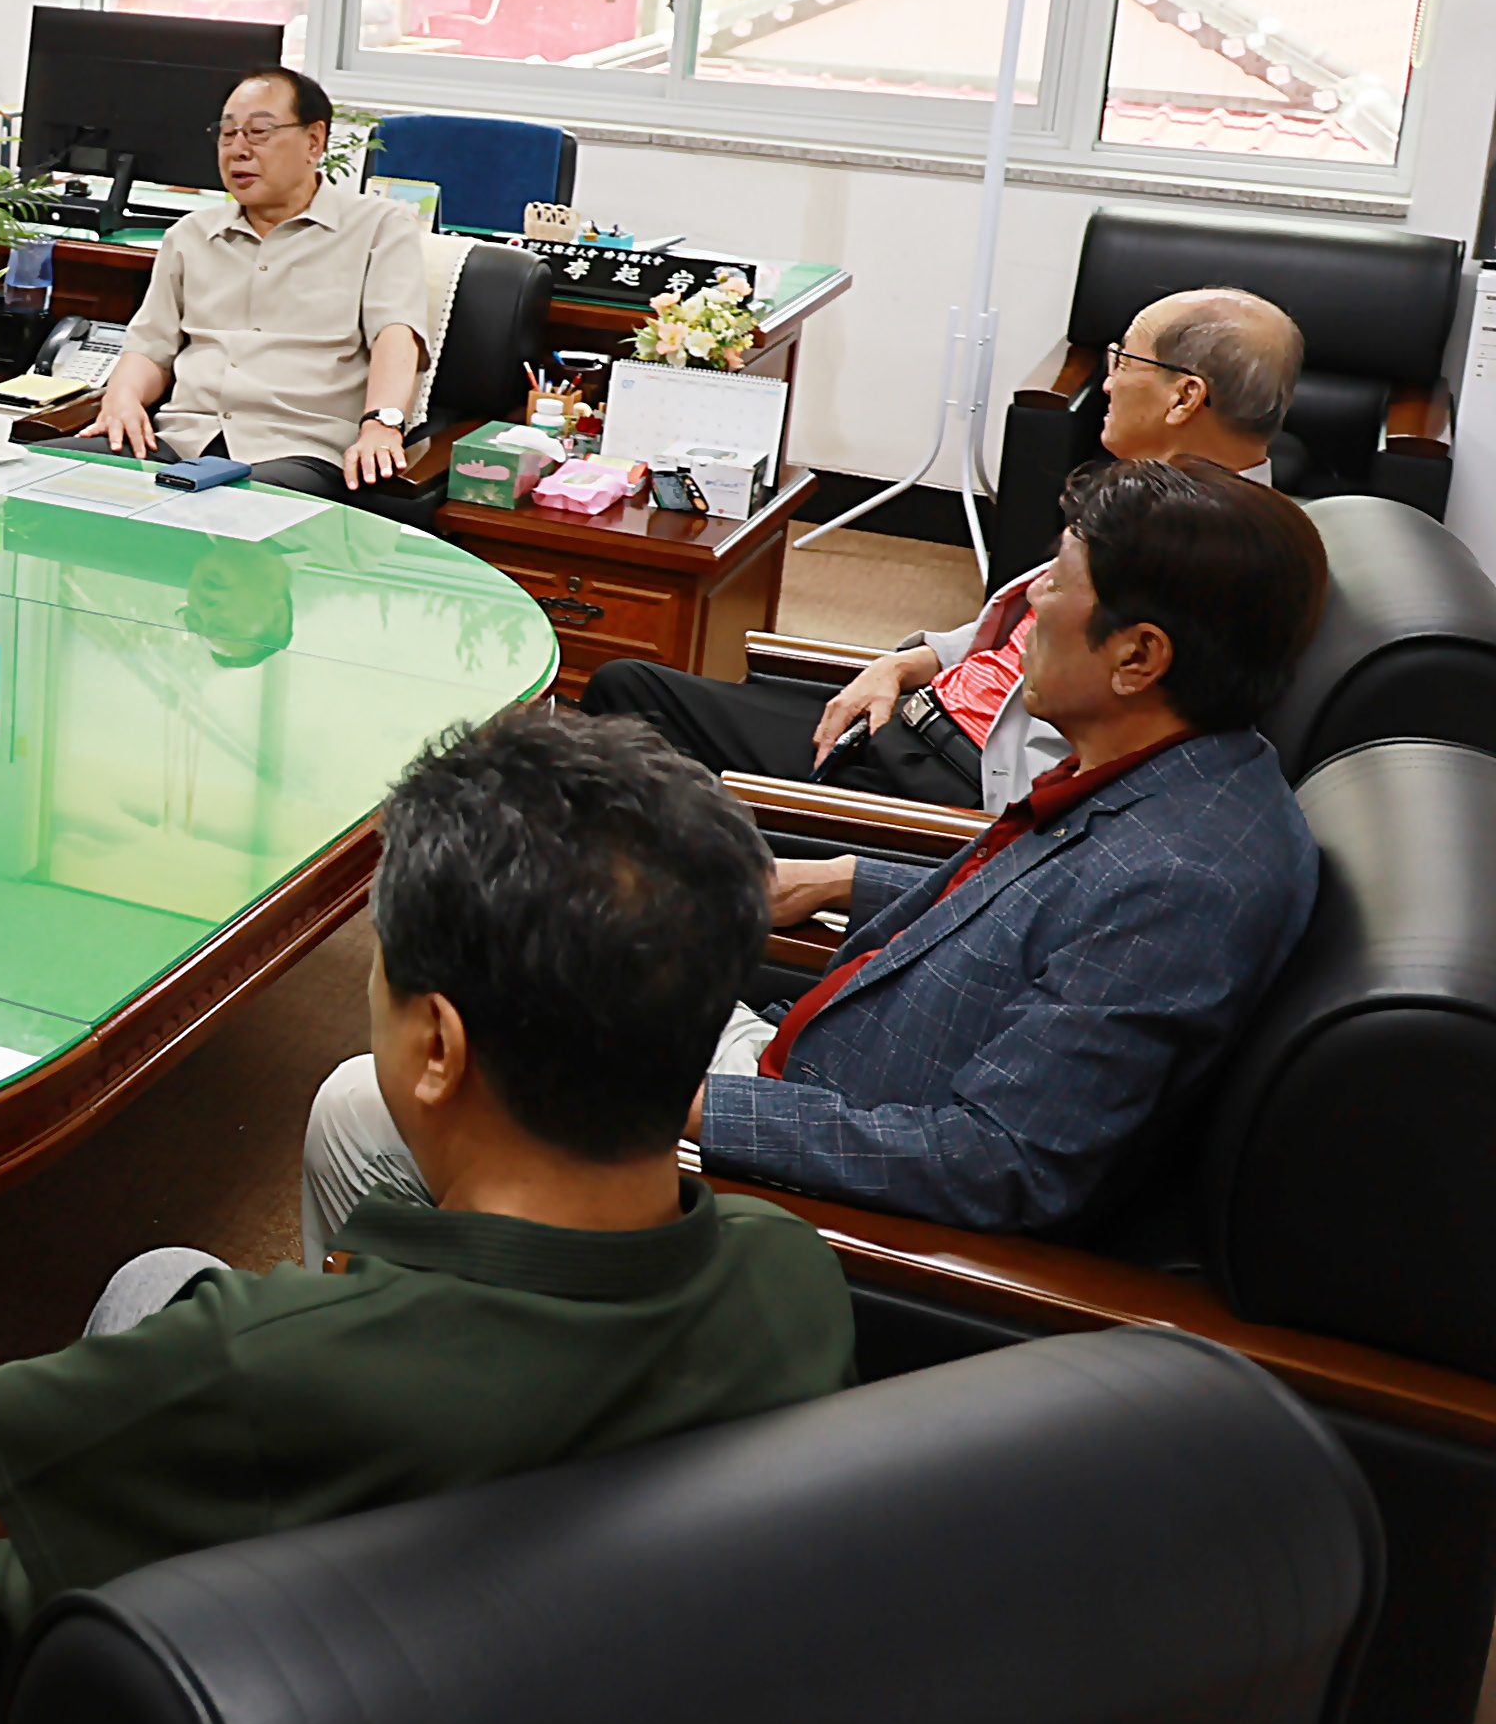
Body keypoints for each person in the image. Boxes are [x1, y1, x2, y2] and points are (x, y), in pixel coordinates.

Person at [0, 704, 851, 1724]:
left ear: (439, 1048)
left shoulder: (281, 1370)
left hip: (68, 1675)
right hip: (410, 1637)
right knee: (164, 1275)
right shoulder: (790, 1283)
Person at [311, 457, 1326, 1248]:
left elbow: (999, 1163)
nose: (1019, 617)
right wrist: (842, 874)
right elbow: (1033, 922)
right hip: (818, 1052)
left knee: (362, 1106)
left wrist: (688, 1101)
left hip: (813, 1146)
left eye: (1054, 586)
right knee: (523, 959)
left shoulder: (1183, 883)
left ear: (1139, 655)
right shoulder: (1186, 781)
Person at [583, 285, 1298, 809]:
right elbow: (1022, 627)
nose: (1107, 378)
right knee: (632, 689)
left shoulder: (1207, 553)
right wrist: (903, 664)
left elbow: (1088, 769)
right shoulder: (1172, 500)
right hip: (923, 717)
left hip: (949, 777)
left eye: (1125, 358)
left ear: (1185, 397)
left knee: (629, 711)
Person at [91, 64, 428, 504]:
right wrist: (121, 398)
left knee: (232, 509)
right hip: (179, 442)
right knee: (39, 479)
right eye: (227, 134)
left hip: (301, 450)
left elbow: (395, 336)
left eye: (259, 132)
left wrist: (382, 424)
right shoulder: (189, 236)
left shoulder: (379, 227)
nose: (238, 150)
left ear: (314, 141)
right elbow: (151, 347)